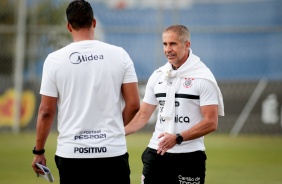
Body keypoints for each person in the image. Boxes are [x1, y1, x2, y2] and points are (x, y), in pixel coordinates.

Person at [31, 1, 140, 184]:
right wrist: (114, 130)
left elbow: (46, 111)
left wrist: (39, 151)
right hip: (112, 152)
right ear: (94, 23)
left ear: (68, 26)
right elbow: (134, 104)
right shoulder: (119, 54)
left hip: (72, 154)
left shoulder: (54, 60)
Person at [125, 25, 224, 184]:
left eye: (173, 44)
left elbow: (211, 122)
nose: (168, 49)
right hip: (156, 152)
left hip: (189, 156)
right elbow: (143, 115)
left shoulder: (203, 78)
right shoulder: (158, 76)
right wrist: (118, 133)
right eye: (165, 44)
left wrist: (177, 138)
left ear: (187, 45)